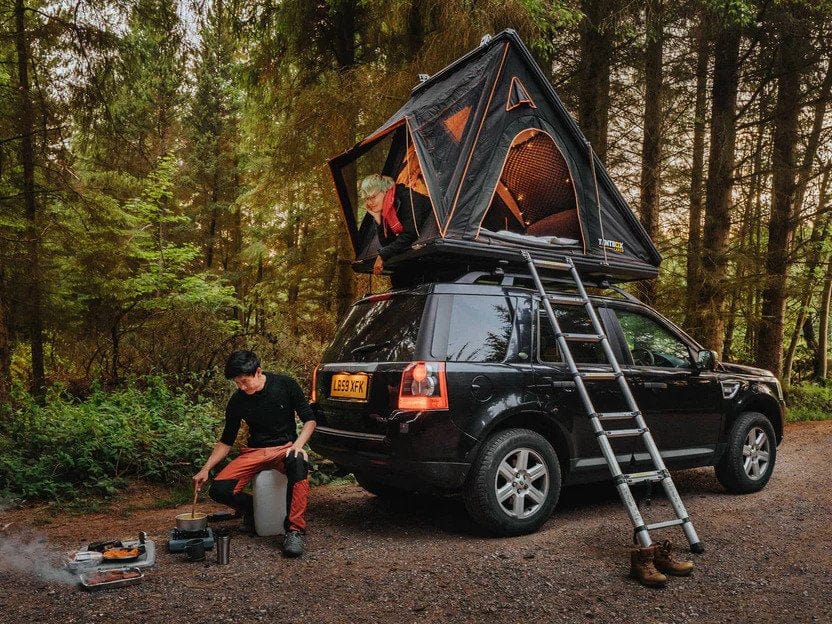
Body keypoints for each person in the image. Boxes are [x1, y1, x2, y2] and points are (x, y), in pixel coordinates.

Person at [193, 350, 316, 557]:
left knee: (299, 463)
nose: (240, 387)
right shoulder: (237, 400)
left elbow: (310, 420)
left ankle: (295, 531)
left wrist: (298, 445)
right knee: (219, 489)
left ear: (258, 372)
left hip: (284, 448)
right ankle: (252, 509)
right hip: (254, 451)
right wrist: (206, 468)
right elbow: (226, 440)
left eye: (244, 381)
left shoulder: (285, 385)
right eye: (236, 383)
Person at [359, 173, 431, 278]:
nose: (370, 202)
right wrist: (377, 218)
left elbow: (410, 234)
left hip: (430, 246)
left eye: (373, 197)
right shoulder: (386, 209)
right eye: (367, 199)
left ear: (384, 191)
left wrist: (382, 256)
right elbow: (386, 242)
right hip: (414, 253)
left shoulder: (406, 198)